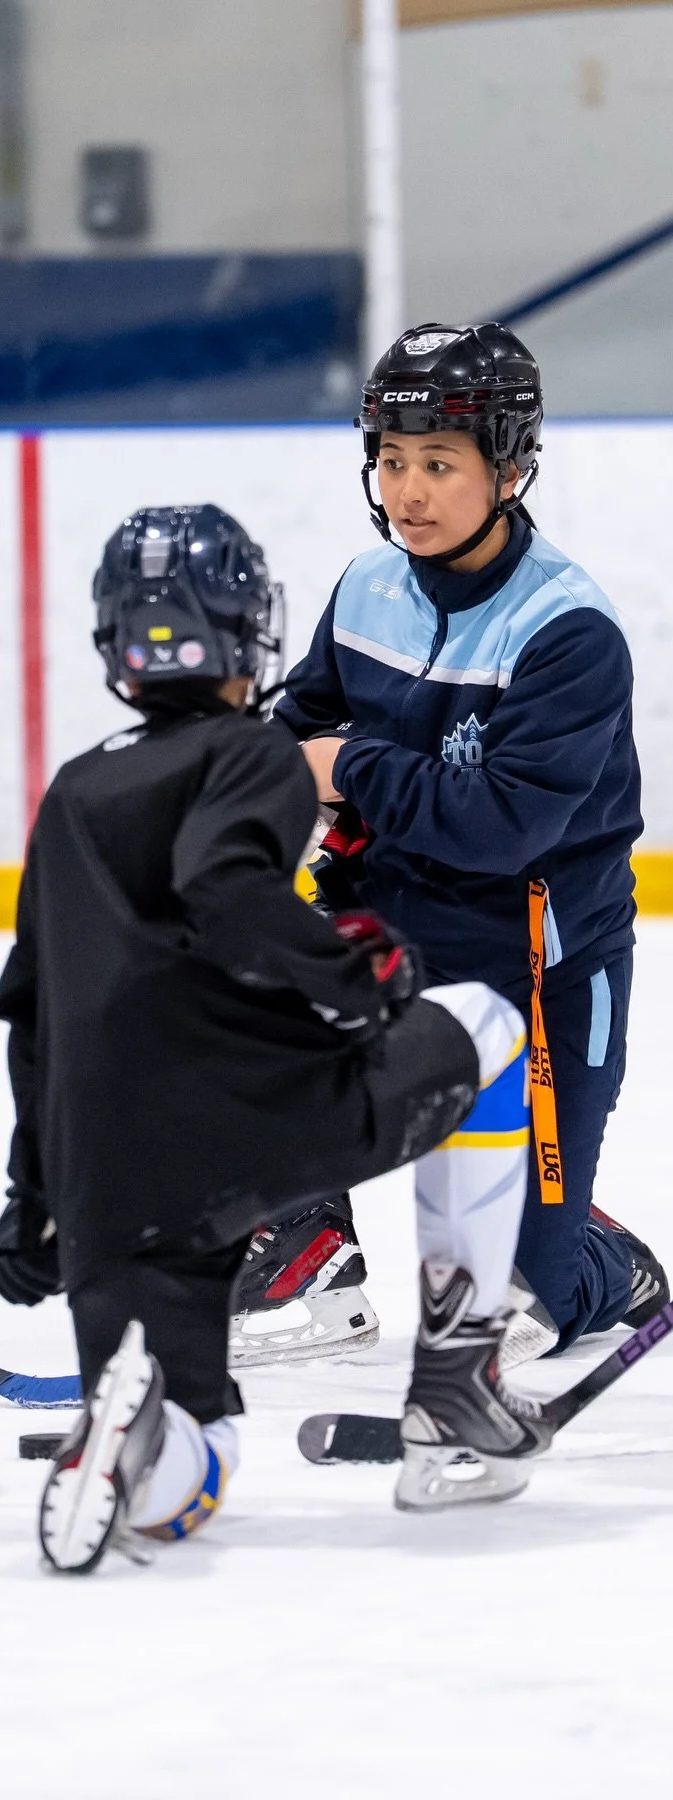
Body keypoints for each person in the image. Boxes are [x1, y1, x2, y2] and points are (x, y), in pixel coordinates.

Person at [0, 505, 551, 1575]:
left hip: (107, 1176)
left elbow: (31, 1015)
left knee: (200, 1454)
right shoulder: (255, 753)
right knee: (487, 1020)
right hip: (250, 1132)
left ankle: (134, 1433)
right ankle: (456, 1380)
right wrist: (358, 978)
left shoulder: (73, 790)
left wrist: (34, 1199)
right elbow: (226, 887)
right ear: (249, 628)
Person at [275, 321, 663, 1360]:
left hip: (536, 972)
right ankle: (304, 1248)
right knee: (225, 987)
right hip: (384, 938)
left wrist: (349, 766)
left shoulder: (567, 630)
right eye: (393, 460)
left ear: (511, 466)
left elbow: (501, 826)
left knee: (518, 1310)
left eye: (440, 465)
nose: (409, 492)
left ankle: (591, 1255)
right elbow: (290, 733)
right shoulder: (367, 585)